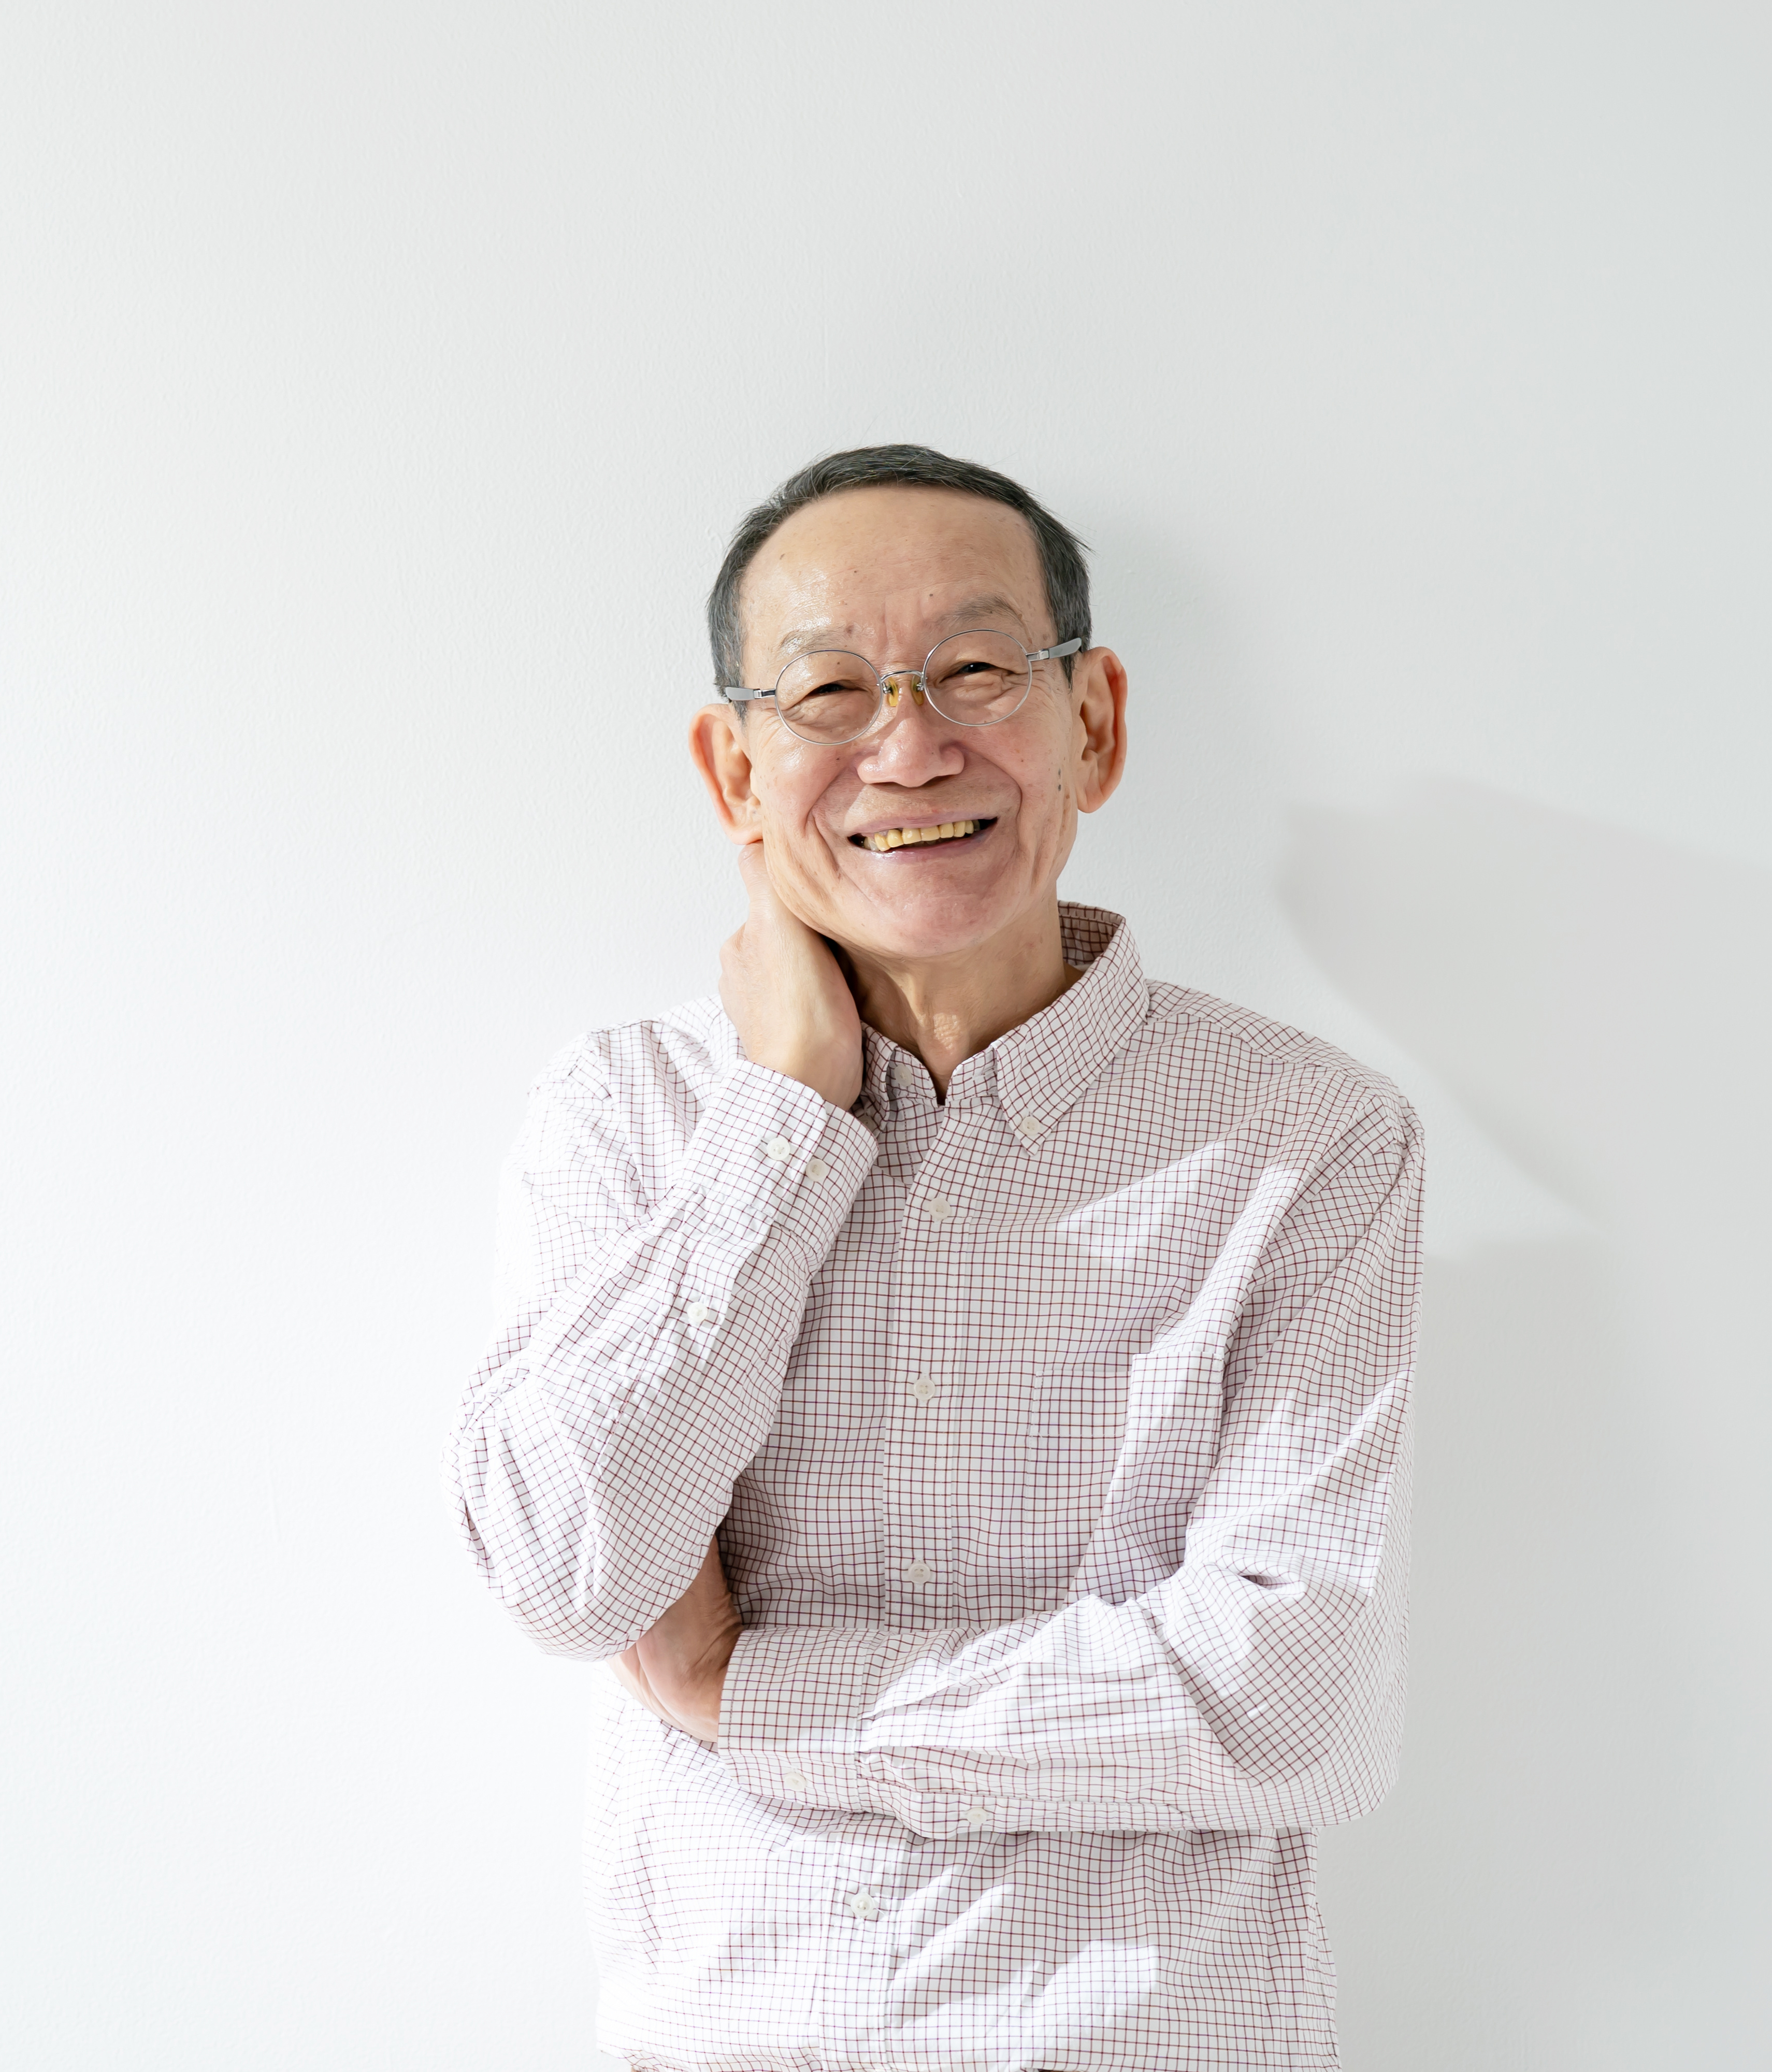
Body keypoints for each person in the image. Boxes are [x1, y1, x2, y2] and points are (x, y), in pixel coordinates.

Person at [445, 445, 1421, 2071]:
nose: (909, 747)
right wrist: (780, 1121)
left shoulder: (1307, 1137)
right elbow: (567, 1579)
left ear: (1092, 722)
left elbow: (1293, 1700)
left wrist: (745, 1693)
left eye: (976, 670)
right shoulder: (628, 1115)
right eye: (829, 690)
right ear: (734, 768)